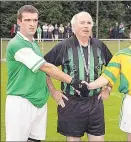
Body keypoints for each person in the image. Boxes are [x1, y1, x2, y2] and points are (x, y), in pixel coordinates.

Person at [5, 5, 88, 142]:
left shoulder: (33, 44)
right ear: (19, 22)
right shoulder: (17, 44)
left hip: (39, 102)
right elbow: (46, 67)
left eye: (35, 20)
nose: (32, 24)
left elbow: (41, 73)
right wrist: (74, 82)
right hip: (21, 102)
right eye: (27, 20)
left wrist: (53, 90)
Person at [44, 11, 113, 141]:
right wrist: (53, 91)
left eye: (89, 23)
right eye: (82, 23)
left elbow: (114, 68)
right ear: (74, 26)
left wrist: (108, 88)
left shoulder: (100, 46)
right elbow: (44, 67)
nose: (86, 26)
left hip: (95, 103)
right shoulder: (64, 46)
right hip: (72, 103)